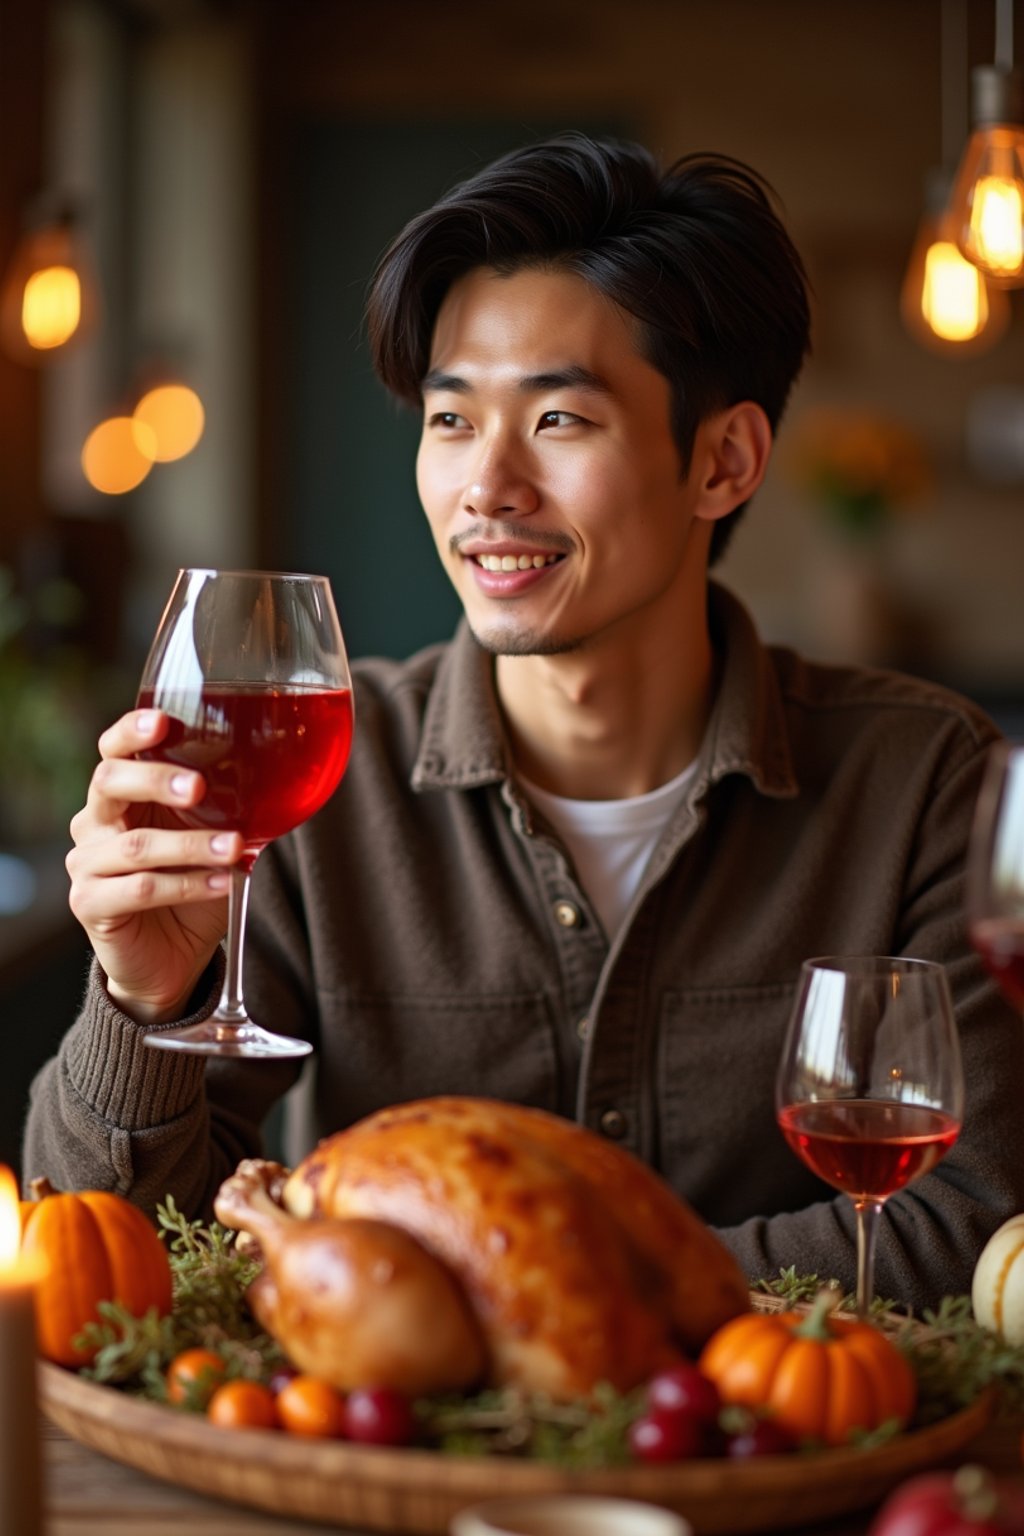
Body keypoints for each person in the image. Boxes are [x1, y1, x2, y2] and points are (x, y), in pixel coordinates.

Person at [24, 133, 1024, 1309]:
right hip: (380, 1483)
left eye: (557, 421)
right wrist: (146, 1001)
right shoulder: (311, 783)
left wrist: (526, 1289)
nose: (484, 486)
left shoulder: (925, 784)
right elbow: (100, 1261)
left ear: (724, 461)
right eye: (450, 421)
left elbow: (977, 1225)